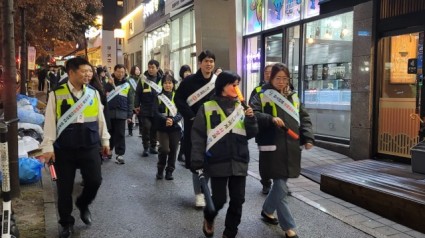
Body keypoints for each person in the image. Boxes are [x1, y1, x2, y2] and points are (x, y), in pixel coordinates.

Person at [40, 57, 110, 238]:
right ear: (71, 72)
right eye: (84, 71)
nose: (88, 75)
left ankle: (83, 203)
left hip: (89, 145)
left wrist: (105, 141)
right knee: (64, 188)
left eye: (90, 71)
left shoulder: (93, 93)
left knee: (95, 181)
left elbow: (100, 118)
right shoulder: (56, 93)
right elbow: (49, 122)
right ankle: (66, 223)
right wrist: (48, 146)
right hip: (65, 148)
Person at [250, 63, 314, 238]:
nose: (282, 82)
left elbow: (304, 117)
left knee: (281, 184)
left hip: (291, 146)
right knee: (280, 185)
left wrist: (308, 137)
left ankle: (267, 210)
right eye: (278, 78)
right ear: (271, 78)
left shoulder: (293, 96)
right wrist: (270, 118)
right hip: (272, 146)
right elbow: (252, 114)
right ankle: (288, 227)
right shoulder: (261, 94)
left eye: (285, 78)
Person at [191, 71, 258, 238]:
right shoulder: (206, 108)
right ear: (222, 86)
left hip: (239, 159)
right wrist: (197, 160)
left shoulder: (242, 108)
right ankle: (209, 216)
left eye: (238, 84)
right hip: (217, 160)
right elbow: (198, 136)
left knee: (238, 200)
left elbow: (250, 133)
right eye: (233, 84)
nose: (237, 88)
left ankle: (230, 232)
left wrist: (251, 119)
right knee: (219, 200)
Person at [175, 50, 216, 208]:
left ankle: (205, 189)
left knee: (211, 160)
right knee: (196, 160)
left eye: (211, 61)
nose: (209, 64)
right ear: (199, 63)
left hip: (213, 128)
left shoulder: (217, 82)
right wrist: (190, 115)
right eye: (206, 61)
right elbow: (178, 98)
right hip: (193, 127)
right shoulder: (189, 81)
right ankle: (199, 194)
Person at [249, 64, 273, 194]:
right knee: (265, 160)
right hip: (264, 130)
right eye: (266, 72)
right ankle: (266, 183)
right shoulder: (258, 90)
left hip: (280, 131)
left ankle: (280, 183)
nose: (269, 75)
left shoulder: (284, 90)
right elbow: (252, 108)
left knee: (279, 159)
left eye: (271, 72)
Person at [153, 73, 182, 180]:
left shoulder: (178, 96)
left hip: (175, 127)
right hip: (162, 127)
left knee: (173, 150)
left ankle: (170, 171)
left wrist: (173, 120)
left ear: (173, 84)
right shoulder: (158, 96)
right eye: (165, 83)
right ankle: (160, 169)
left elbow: (180, 112)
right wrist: (166, 119)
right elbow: (155, 112)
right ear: (162, 84)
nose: (167, 85)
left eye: (170, 83)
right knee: (164, 149)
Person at [104, 64, 134, 164]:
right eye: (118, 71)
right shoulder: (107, 82)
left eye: (122, 72)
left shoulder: (127, 84)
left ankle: (120, 154)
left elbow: (130, 101)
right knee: (110, 132)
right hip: (109, 112)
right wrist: (108, 84)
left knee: (120, 133)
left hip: (122, 112)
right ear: (114, 71)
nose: (120, 74)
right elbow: (102, 94)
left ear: (125, 72)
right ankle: (109, 150)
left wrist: (130, 115)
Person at [134, 60, 163, 157]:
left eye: (153, 67)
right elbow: (137, 93)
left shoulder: (161, 79)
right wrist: (136, 105)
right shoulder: (143, 79)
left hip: (157, 108)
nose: (150, 69)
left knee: (154, 128)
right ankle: (145, 147)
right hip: (145, 107)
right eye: (149, 67)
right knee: (146, 127)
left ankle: (153, 146)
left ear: (157, 68)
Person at [176, 64, 192, 162]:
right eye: (185, 71)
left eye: (188, 71)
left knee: (187, 134)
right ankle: (182, 153)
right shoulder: (178, 84)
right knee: (183, 133)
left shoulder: (193, 83)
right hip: (180, 112)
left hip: (189, 111)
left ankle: (183, 153)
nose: (187, 73)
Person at [127, 65, 141, 136]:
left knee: (140, 116)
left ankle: (141, 132)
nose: (138, 71)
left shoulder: (141, 79)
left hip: (139, 101)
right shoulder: (129, 80)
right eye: (136, 69)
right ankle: (130, 131)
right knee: (130, 115)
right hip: (131, 100)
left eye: (139, 69)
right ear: (133, 71)